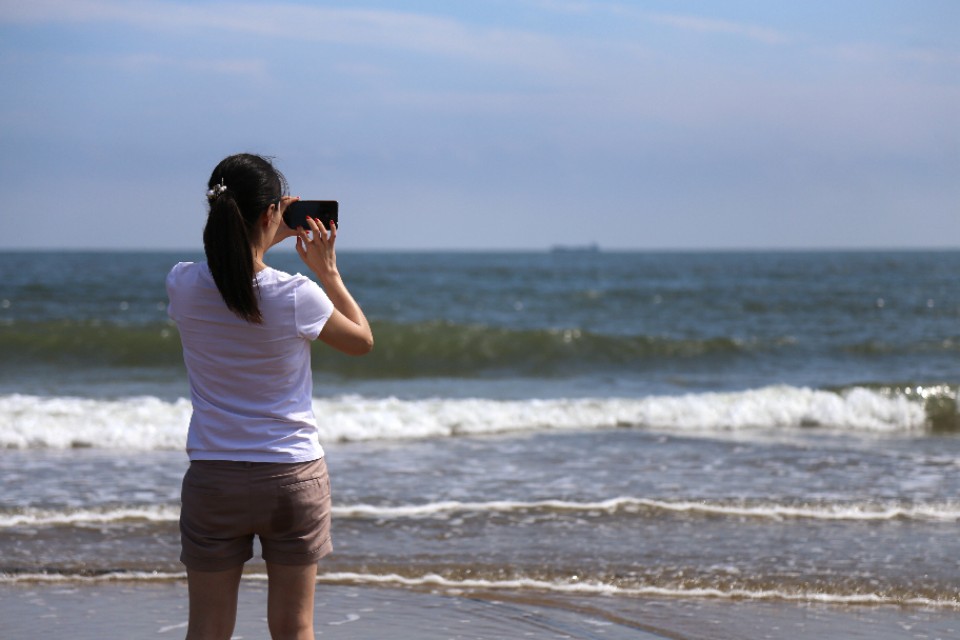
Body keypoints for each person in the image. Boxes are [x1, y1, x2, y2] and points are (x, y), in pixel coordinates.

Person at [166, 153, 373, 640]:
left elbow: (236, 270)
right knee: (293, 629)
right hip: (290, 478)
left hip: (215, 479)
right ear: (269, 214)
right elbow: (361, 341)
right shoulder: (298, 294)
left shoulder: (182, 284)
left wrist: (267, 228)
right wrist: (329, 271)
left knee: (207, 630)